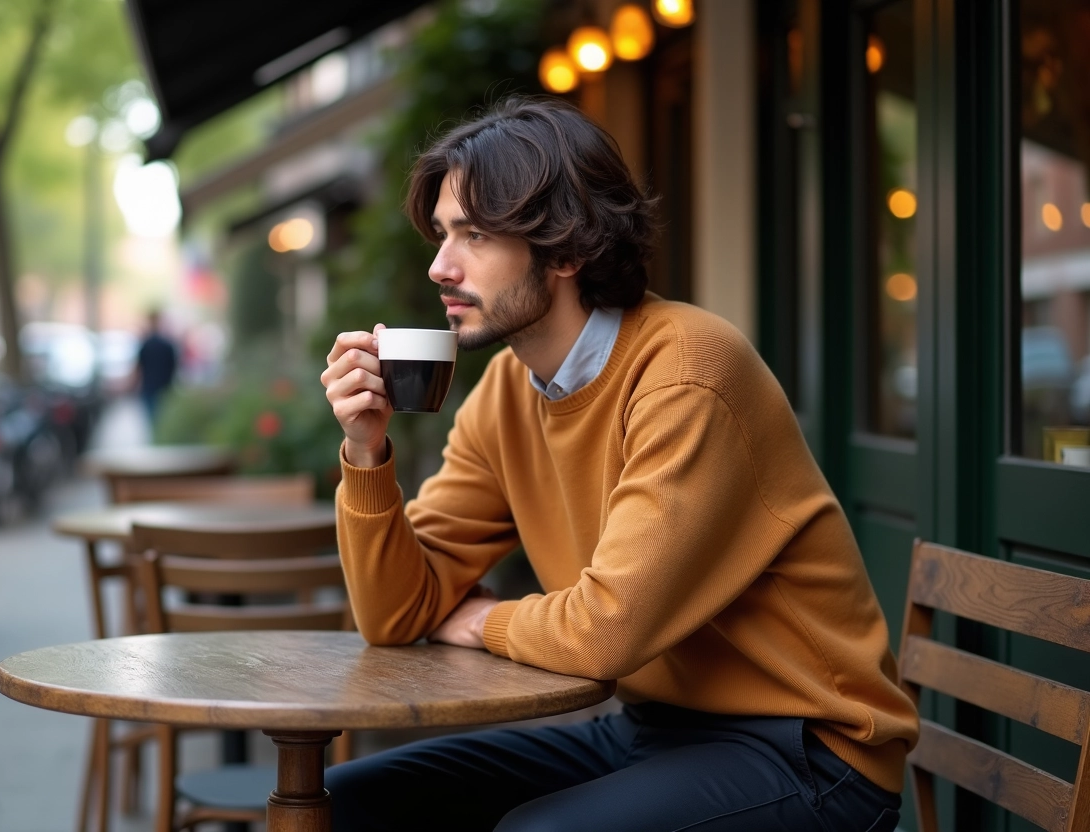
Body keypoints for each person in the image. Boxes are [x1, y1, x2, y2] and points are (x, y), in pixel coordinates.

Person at [319, 97, 917, 832]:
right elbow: (394, 614)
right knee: (348, 800)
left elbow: (606, 633)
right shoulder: (508, 391)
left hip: (811, 751)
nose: (442, 265)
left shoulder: (687, 371)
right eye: (443, 234)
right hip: (653, 732)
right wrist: (366, 449)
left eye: (475, 234)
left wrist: (480, 622)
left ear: (566, 250)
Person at [136, 309, 178, 427]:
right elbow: (173, 366)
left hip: (150, 387)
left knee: (153, 420)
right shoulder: (167, 344)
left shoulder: (146, 344)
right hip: (163, 387)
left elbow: (139, 368)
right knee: (163, 420)